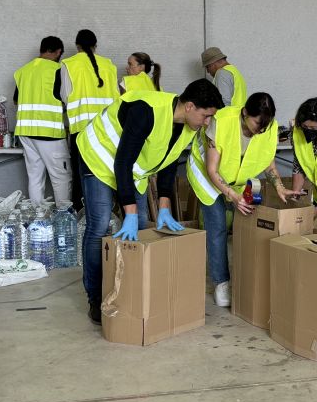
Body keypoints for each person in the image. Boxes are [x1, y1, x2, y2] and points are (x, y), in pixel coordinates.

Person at [77, 79, 223, 324]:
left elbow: (168, 163)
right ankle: (95, 297)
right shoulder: (146, 110)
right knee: (100, 225)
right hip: (98, 154)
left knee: (143, 224)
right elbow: (121, 162)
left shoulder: (188, 126)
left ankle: (130, 290)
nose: (207, 122)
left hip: (131, 168)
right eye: (206, 115)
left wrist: (165, 207)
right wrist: (129, 212)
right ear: (189, 106)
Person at [186, 92, 300, 307]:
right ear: (246, 112)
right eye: (258, 123)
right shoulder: (221, 122)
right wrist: (232, 196)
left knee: (245, 222)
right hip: (206, 174)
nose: (261, 129)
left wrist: (280, 187)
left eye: (266, 125)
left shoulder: (269, 127)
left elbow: (268, 162)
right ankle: (221, 282)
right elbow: (212, 169)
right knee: (218, 225)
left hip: (235, 177)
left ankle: (245, 279)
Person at [61, 30, 119, 208]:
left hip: (81, 130)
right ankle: (109, 213)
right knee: (107, 172)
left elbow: (65, 95)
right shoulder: (109, 65)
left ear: (77, 46)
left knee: (82, 176)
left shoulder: (69, 64)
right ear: (96, 46)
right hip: (107, 130)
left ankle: (82, 216)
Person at [13, 36, 71, 204]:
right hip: (49, 133)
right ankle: (63, 218)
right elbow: (66, 99)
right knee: (61, 177)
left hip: (25, 132)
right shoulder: (58, 69)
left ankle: (38, 221)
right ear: (59, 52)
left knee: (35, 177)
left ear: (42, 49)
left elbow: (16, 100)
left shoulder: (23, 70)